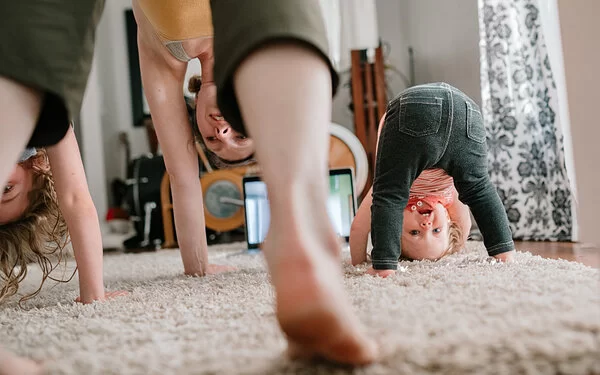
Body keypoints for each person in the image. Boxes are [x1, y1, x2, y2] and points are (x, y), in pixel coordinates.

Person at [133, 0, 377, 364]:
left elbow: (183, 176)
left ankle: (301, 241)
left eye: (214, 140)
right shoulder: (259, 48)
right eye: (241, 135)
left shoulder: (167, 57)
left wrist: (197, 267)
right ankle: (303, 237)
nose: (222, 131)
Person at [356, 83, 515, 278]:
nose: (426, 226)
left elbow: (359, 229)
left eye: (414, 233)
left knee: (389, 195)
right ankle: (504, 252)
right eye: (437, 230)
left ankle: (384, 266)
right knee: (478, 188)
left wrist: (360, 261)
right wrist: (458, 247)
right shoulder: (449, 196)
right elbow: (464, 225)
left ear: (393, 228)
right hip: (465, 111)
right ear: (449, 221)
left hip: (419, 108)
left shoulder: (396, 196)